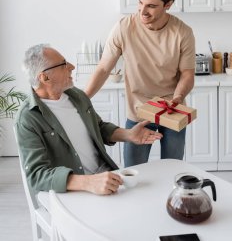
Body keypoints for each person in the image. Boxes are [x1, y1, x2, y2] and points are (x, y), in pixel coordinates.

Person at [15, 44, 162, 203]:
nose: (71, 67)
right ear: (44, 77)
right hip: (71, 192)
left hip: (103, 175)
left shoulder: (76, 96)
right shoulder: (28, 118)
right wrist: (88, 182)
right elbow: (37, 175)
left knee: (147, 201)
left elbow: (98, 127)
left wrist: (128, 134)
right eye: (63, 64)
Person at [85, 0, 195, 167]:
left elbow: (187, 74)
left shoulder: (182, 32)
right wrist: (82, 99)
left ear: (168, 4)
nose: (142, 11)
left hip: (172, 112)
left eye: (151, 6)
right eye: (140, 3)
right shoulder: (124, 27)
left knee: (171, 169)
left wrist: (177, 98)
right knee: (133, 171)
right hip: (138, 113)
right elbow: (103, 68)